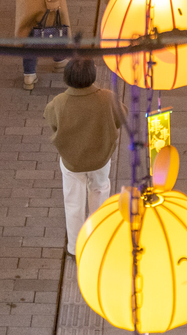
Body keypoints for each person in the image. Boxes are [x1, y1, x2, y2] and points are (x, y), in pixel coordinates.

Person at [44, 57, 127, 256]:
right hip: (100, 158)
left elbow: (51, 120)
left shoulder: (59, 102)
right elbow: (121, 116)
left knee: (73, 201)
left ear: (67, 77)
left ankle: (75, 247)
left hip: (72, 161)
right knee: (99, 190)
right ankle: (98, 239)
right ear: (92, 76)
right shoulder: (107, 98)